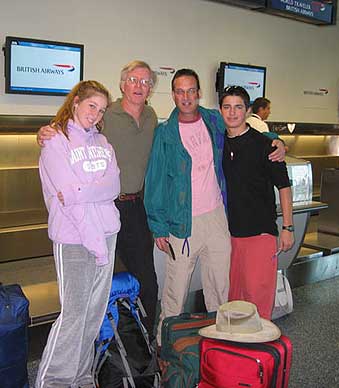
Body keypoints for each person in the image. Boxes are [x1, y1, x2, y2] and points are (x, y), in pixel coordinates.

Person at [144, 69, 285, 345]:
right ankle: (165, 349)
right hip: (182, 223)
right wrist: (158, 226)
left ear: (199, 93)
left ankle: (218, 347)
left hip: (217, 218)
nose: (186, 97)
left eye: (191, 90)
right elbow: (156, 182)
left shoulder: (212, 120)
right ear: (173, 95)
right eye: (180, 91)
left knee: (220, 289)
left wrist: (275, 139)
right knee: (176, 291)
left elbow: (244, 128)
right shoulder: (165, 134)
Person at [37, 60, 159, 337]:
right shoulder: (105, 114)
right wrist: (43, 133)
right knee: (96, 290)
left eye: (145, 82)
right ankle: (98, 354)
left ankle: (144, 352)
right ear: (122, 84)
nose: (139, 86)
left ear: (151, 89)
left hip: (134, 207)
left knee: (147, 283)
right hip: (101, 208)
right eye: (133, 80)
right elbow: (69, 133)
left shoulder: (152, 117)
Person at [36, 80, 120, 388]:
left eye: (101, 109)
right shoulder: (55, 142)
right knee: (73, 314)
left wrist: (83, 191)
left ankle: (82, 377)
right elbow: (66, 198)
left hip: (108, 234)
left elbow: (114, 187)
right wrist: (94, 241)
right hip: (74, 238)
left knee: (94, 313)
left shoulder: (104, 144)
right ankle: (53, 381)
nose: (96, 114)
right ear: (75, 104)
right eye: (91, 106)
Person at [219, 86, 294, 320]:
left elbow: (284, 186)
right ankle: (237, 354)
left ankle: (259, 353)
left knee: (258, 298)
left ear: (248, 110)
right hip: (230, 235)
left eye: (238, 107)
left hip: (260, 233)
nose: (232, 113)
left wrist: (288, 228)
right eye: (227, 107)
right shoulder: (219, 144)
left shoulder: (266, 146)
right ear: (220, 110)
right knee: (235, 298)